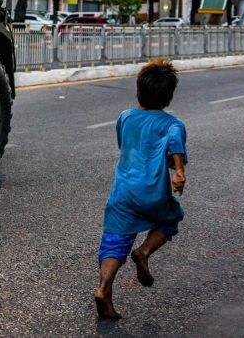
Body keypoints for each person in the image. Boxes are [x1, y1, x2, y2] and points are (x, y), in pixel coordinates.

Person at [95, 59, 187, 320]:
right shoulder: (173, 124)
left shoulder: (125, 118)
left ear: (138, 90)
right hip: (153, 193)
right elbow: (175, 145)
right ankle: (144, 251)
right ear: (168, 97)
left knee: (114, 242)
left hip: (122, 193)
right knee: (172, 217)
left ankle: (103, 289)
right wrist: (179, 172)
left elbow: (125, 146)